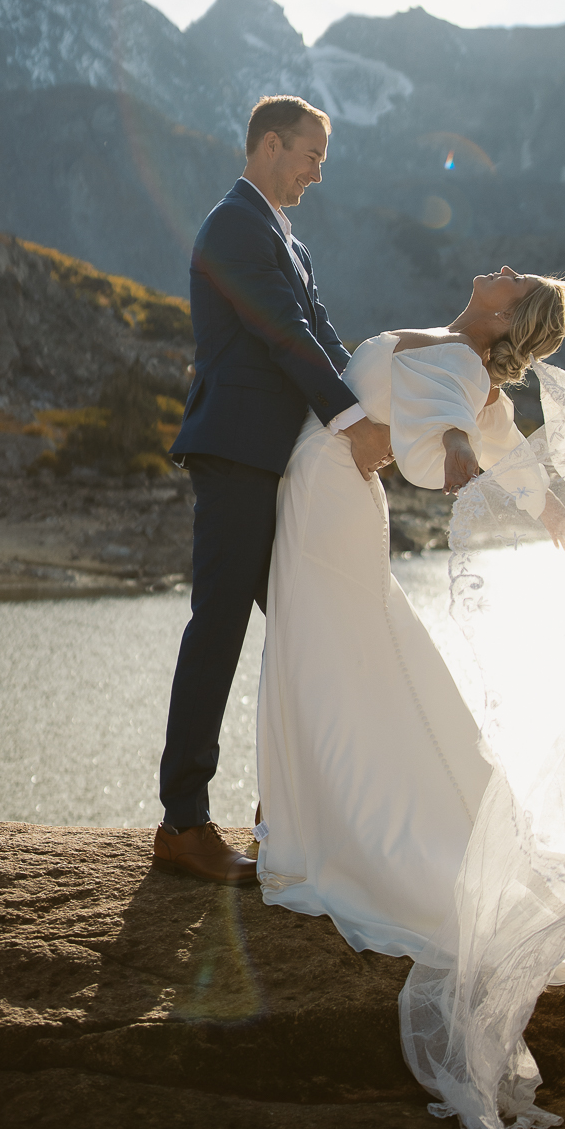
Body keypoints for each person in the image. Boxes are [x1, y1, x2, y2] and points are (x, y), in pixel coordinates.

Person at [256, 267, 565, 1129]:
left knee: (329, 660)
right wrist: (552, 505)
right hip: (330, 491)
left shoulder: (459, 363)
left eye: (511, 277)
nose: (497, 268)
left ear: (502, 311)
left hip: (331, 495)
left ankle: (329, 835)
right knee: (340, 658)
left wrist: (455, 457)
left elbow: (450, 440)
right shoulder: (469, 364)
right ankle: (313, 820)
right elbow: (508, 452)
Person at [154, 95, 393, 885]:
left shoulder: (286, 237)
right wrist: (352, 423)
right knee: (217, 631)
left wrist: (380, 399)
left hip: (277, 462)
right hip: (235, 456)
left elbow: (321, 331)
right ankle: (183, 823)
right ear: (266, 145)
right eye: (309, 155)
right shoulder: (233, 226)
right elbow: (280, 333)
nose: (317, 173)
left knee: (303, 625)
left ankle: (287, 810)